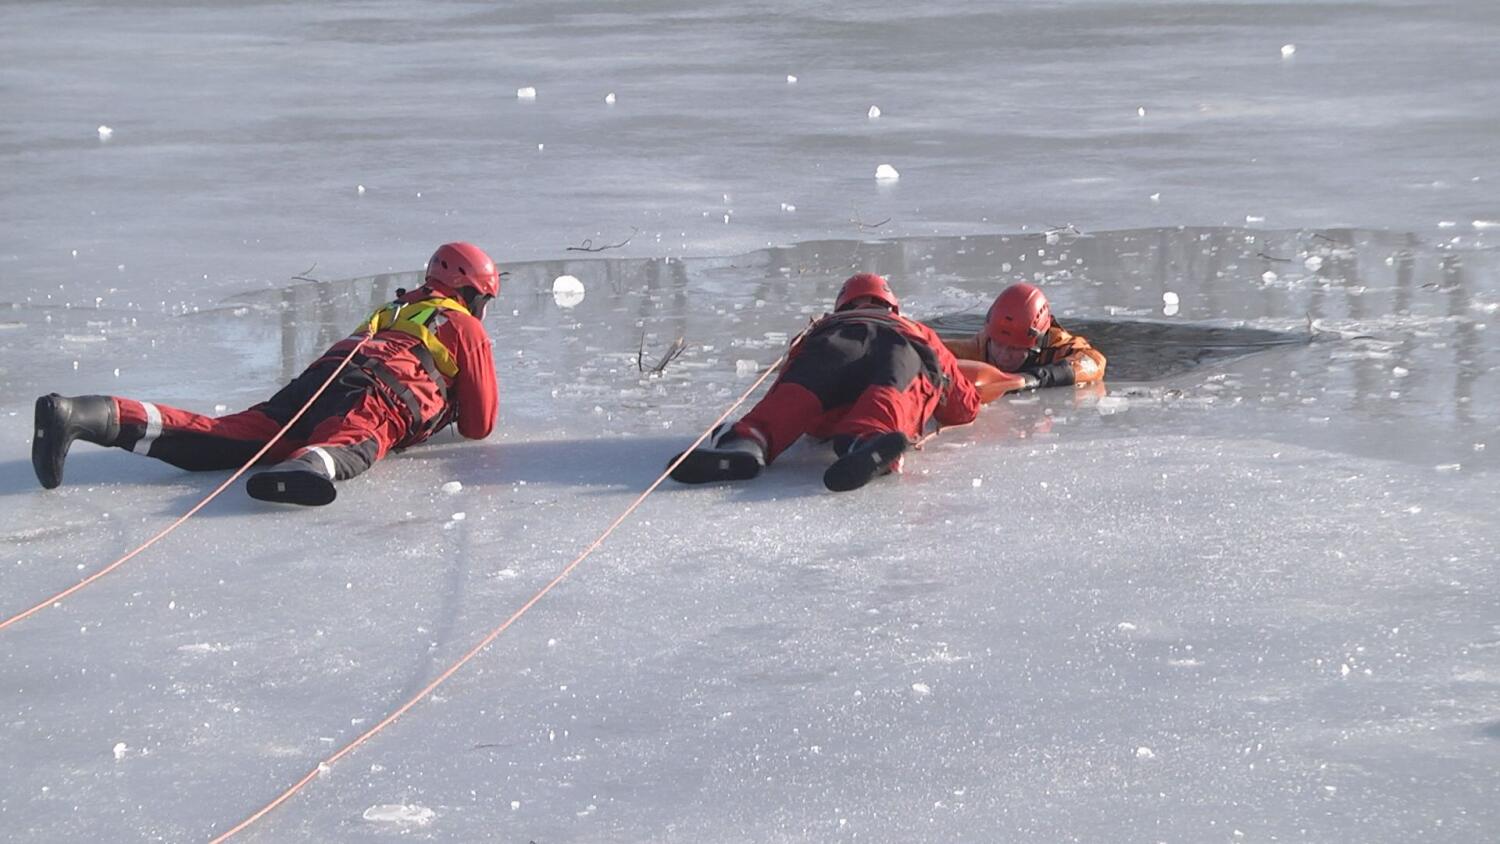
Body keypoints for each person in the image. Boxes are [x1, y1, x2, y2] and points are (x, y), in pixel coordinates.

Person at [31, 242, 500, 506]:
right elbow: (480, 425)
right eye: (484, 299)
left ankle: (85, 414)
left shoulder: (395, 309)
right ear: (470, 292)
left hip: (322, 379)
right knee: (355, 441)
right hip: (381, 395)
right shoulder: (464, 326)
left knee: (228, 434)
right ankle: (303, 468)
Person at [669, 272, 1006, 492]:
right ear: (893, 307)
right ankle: (868, 442)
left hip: (831, 353)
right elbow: (961, 406)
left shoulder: (819, 330)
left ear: (842, 305)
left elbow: (786, 382)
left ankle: (747, 445)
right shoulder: (916, 330)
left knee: (795, 397)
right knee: (889, 396)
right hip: (899, 349)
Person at [942, 282, 1105, 390]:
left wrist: (1035, 378)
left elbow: (1095, 361)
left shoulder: (1055, 345)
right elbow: (933, 350)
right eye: (998, 344)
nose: (1003, 356)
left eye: (1015, 349)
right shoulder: (979, 348)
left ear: (1036, 345)